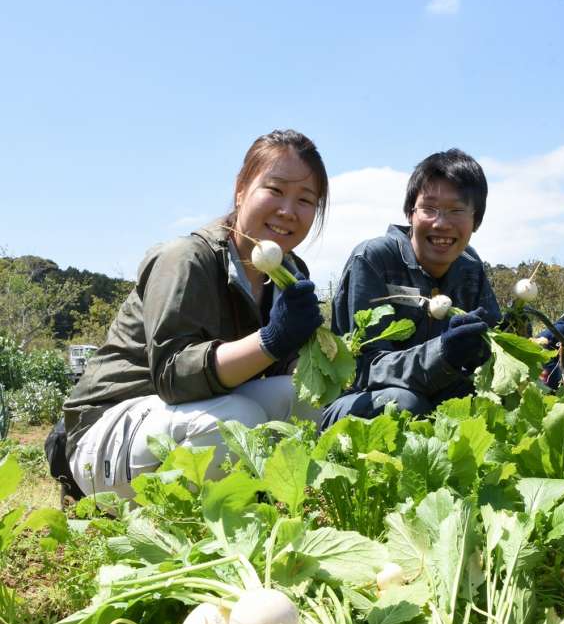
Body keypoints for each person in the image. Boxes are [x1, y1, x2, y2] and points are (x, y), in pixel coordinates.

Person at [63, 129, 327, 499]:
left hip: (192, 416)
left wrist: (316, 360)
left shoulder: (288, 274)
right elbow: (173, 377)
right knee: (238, 421)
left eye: (305, 199)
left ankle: (263, 502)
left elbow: (281, 373)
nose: (288, 210)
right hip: (109, 431)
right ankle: (176, 521)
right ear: (241, 189)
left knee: (302, 397)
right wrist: (270, 341)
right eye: (275, 190)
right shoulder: (185, 259)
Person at [321, 148, 501, 429]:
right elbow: (362, 368)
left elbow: (492, 341)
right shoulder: (372, 259)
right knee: (403, 405)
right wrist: (443, 354)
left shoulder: (471, 268)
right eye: (429, 209)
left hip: (440, 396)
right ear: (410, 212)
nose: (441, 224)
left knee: (489, 402)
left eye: (456, 210)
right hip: (359, 401)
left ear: (476, 220)